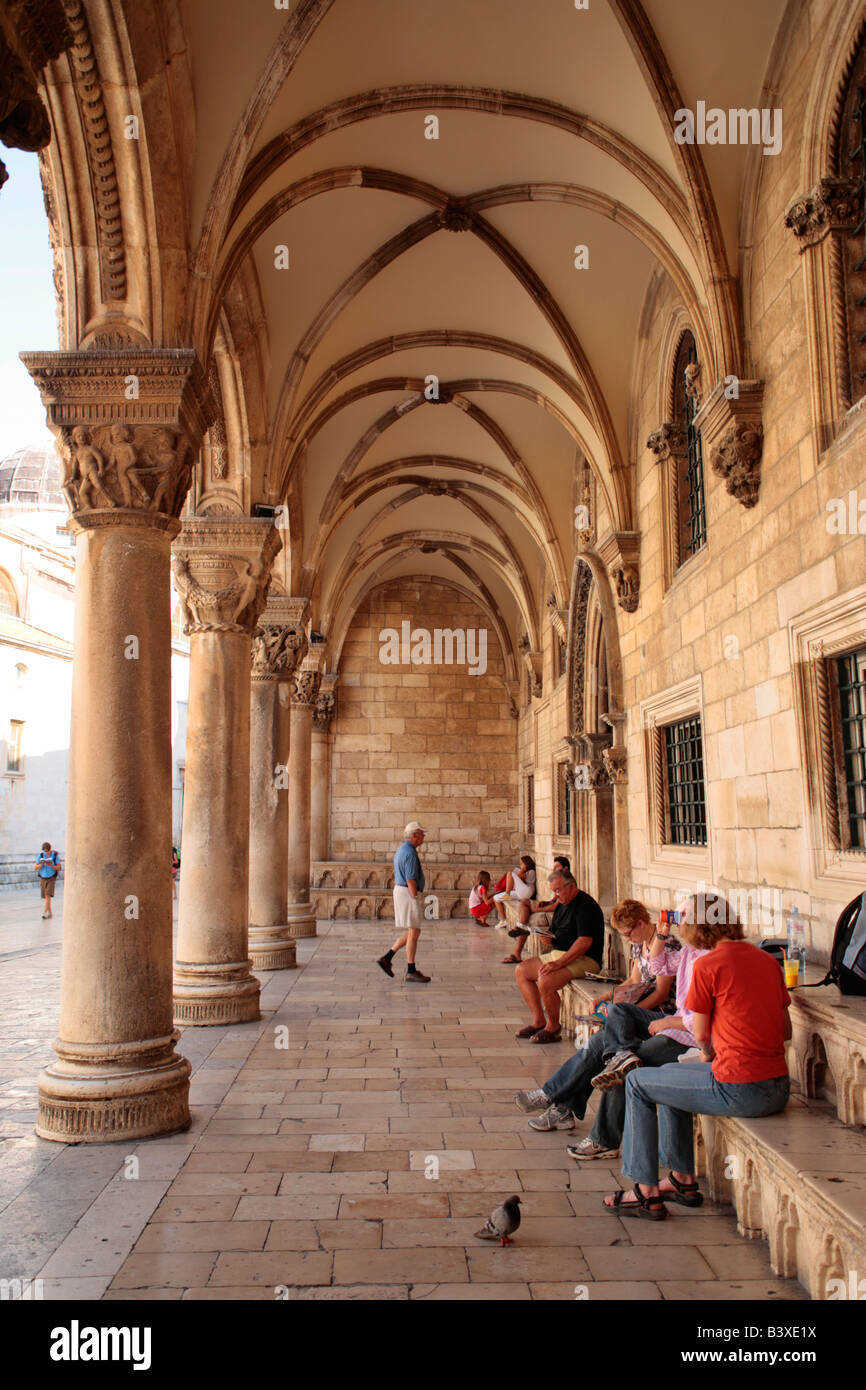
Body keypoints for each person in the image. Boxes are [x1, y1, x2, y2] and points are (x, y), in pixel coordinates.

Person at [602, 892, 792, 1219]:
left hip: (739, 1088)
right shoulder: (766, 960)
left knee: (636, 1081)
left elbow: (701, 1035)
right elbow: (786, 1031)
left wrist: (708, 1053)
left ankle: (645, 1191)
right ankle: (681, 1179)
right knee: (668, 1077)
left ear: (695, 926)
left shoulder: (707, 964)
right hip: (778, 1087)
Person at [513, 899, 679, 1144]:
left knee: (604, 1048)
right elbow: (633, 980)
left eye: (628, 933)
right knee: (602, 1045)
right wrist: (606, 996)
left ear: (641, 923)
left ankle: (553, 1099)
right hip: (639, 1013)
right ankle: (560, 1105)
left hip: (661, 1017)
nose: (627, 939)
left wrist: (625, 1013)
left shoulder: (667, 944)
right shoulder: (641, 943)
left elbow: (661, 994)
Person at [513, 869, 604, 1043]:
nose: (555, 895)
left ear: (571, 886)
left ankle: (553, 1028)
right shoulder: (562, 904)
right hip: (561, 953)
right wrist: (548, 937)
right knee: (521, 971)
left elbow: (584, 942)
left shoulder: (585, 906)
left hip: (586, 959)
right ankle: (539, 1021)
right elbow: (556, 932)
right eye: (553, 891)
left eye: (558, 890)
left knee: (546, 980)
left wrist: (559, 964)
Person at [377, 821, 430, 983]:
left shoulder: (403, 850)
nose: (423, 836)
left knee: (414, 931)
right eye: (421, 833)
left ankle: (387, 957)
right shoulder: (410, 853)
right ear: (414, 835)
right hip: (408, 893)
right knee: (414, 932)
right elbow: (410, 878)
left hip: (402, 891)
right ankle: (410, 970)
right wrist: (415, 896)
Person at [501, 855, 570, 964]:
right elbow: (554, 901)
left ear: (565, 868)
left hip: (558, 914)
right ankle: (521, 927)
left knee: (526, 914)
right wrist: (545, 902)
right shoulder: (560, 881)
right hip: (552, 908)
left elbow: (556, 906)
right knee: (524, 902)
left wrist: (536, 910)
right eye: (554, 867)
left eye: (557, 867)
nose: (553, 870)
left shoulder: (567, 883)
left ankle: (518, 948)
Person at [492, 855, 536, 926]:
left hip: (527, 891)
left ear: (526, 863)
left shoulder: (531, 872)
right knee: (495, 898)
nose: (520, 865)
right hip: (520, 892)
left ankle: (507, 893)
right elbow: (520, 878)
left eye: (522, 863)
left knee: (510, 873)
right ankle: (503, 920)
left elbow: (520, 875)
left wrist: (523, 868)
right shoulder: (525, 872)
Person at [34, 841, 61, 920]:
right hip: (43, 876)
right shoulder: (41, 855)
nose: (46, 853)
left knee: (48, 894)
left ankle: (45, 912)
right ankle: (50, 913)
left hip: (51, 877)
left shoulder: (55, 856)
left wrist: (51, 865)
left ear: (50, 849)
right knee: (46, 896)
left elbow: (59, 868)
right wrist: (41, 864)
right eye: (45, 851)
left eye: (47, 851)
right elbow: (35, 867)